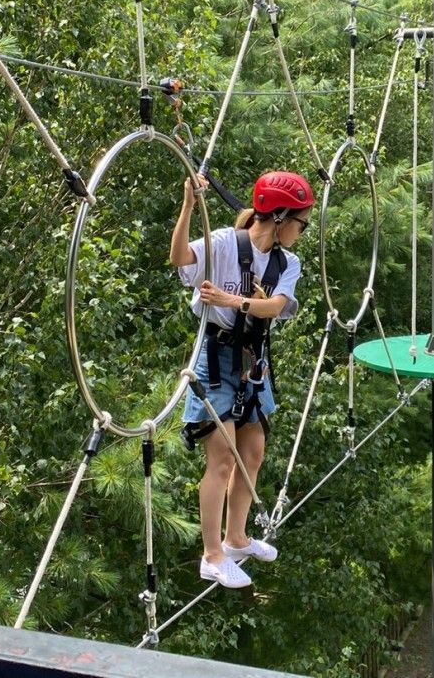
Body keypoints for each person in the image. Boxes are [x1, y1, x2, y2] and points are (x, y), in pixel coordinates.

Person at [170, 169, 314, 588]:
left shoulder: (287, 262)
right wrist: (188, 207)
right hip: (215, 358)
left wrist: (233, 299)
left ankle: (236, 538)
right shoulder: (223, 244)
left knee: (252, 453)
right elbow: (180, 258)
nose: (301, 232)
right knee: (222, 459)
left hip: (253, 360)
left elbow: (276, 307)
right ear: (282, 217)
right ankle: (212, 554)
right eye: (300, 223)